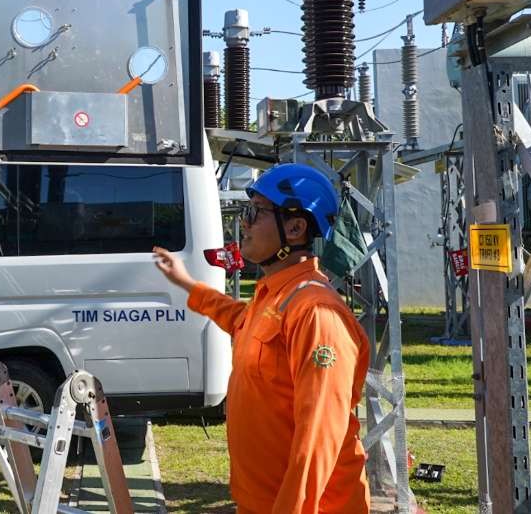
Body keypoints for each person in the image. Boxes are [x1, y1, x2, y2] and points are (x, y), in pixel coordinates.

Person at [153, 163, 370, 514]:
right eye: (245, 211)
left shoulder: (316, 312)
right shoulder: (274, 297)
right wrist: (188, 284)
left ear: (296, 227)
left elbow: (318, 439)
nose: (244, 222)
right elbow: (240, 321)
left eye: (255, 212)